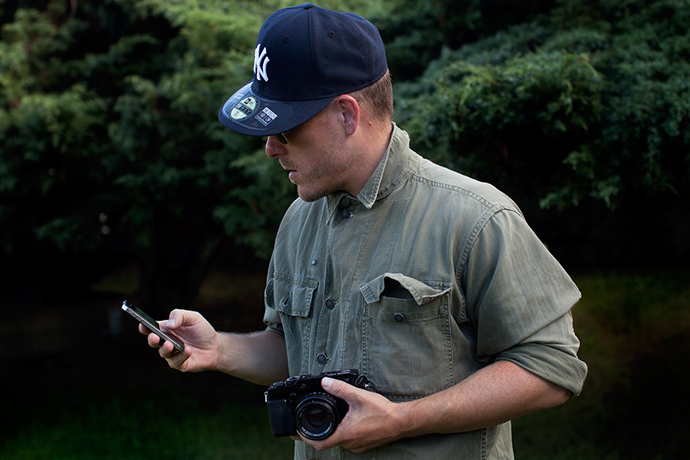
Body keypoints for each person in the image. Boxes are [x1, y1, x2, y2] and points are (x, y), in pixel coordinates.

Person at [139, 3, 587, 459]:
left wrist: (402, 421)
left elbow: (550, 367)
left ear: (347, 115)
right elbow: (298, 350)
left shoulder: (474, 218)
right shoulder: (299, 219)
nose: (270, 149)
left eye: (286, 131)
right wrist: (220, 349)